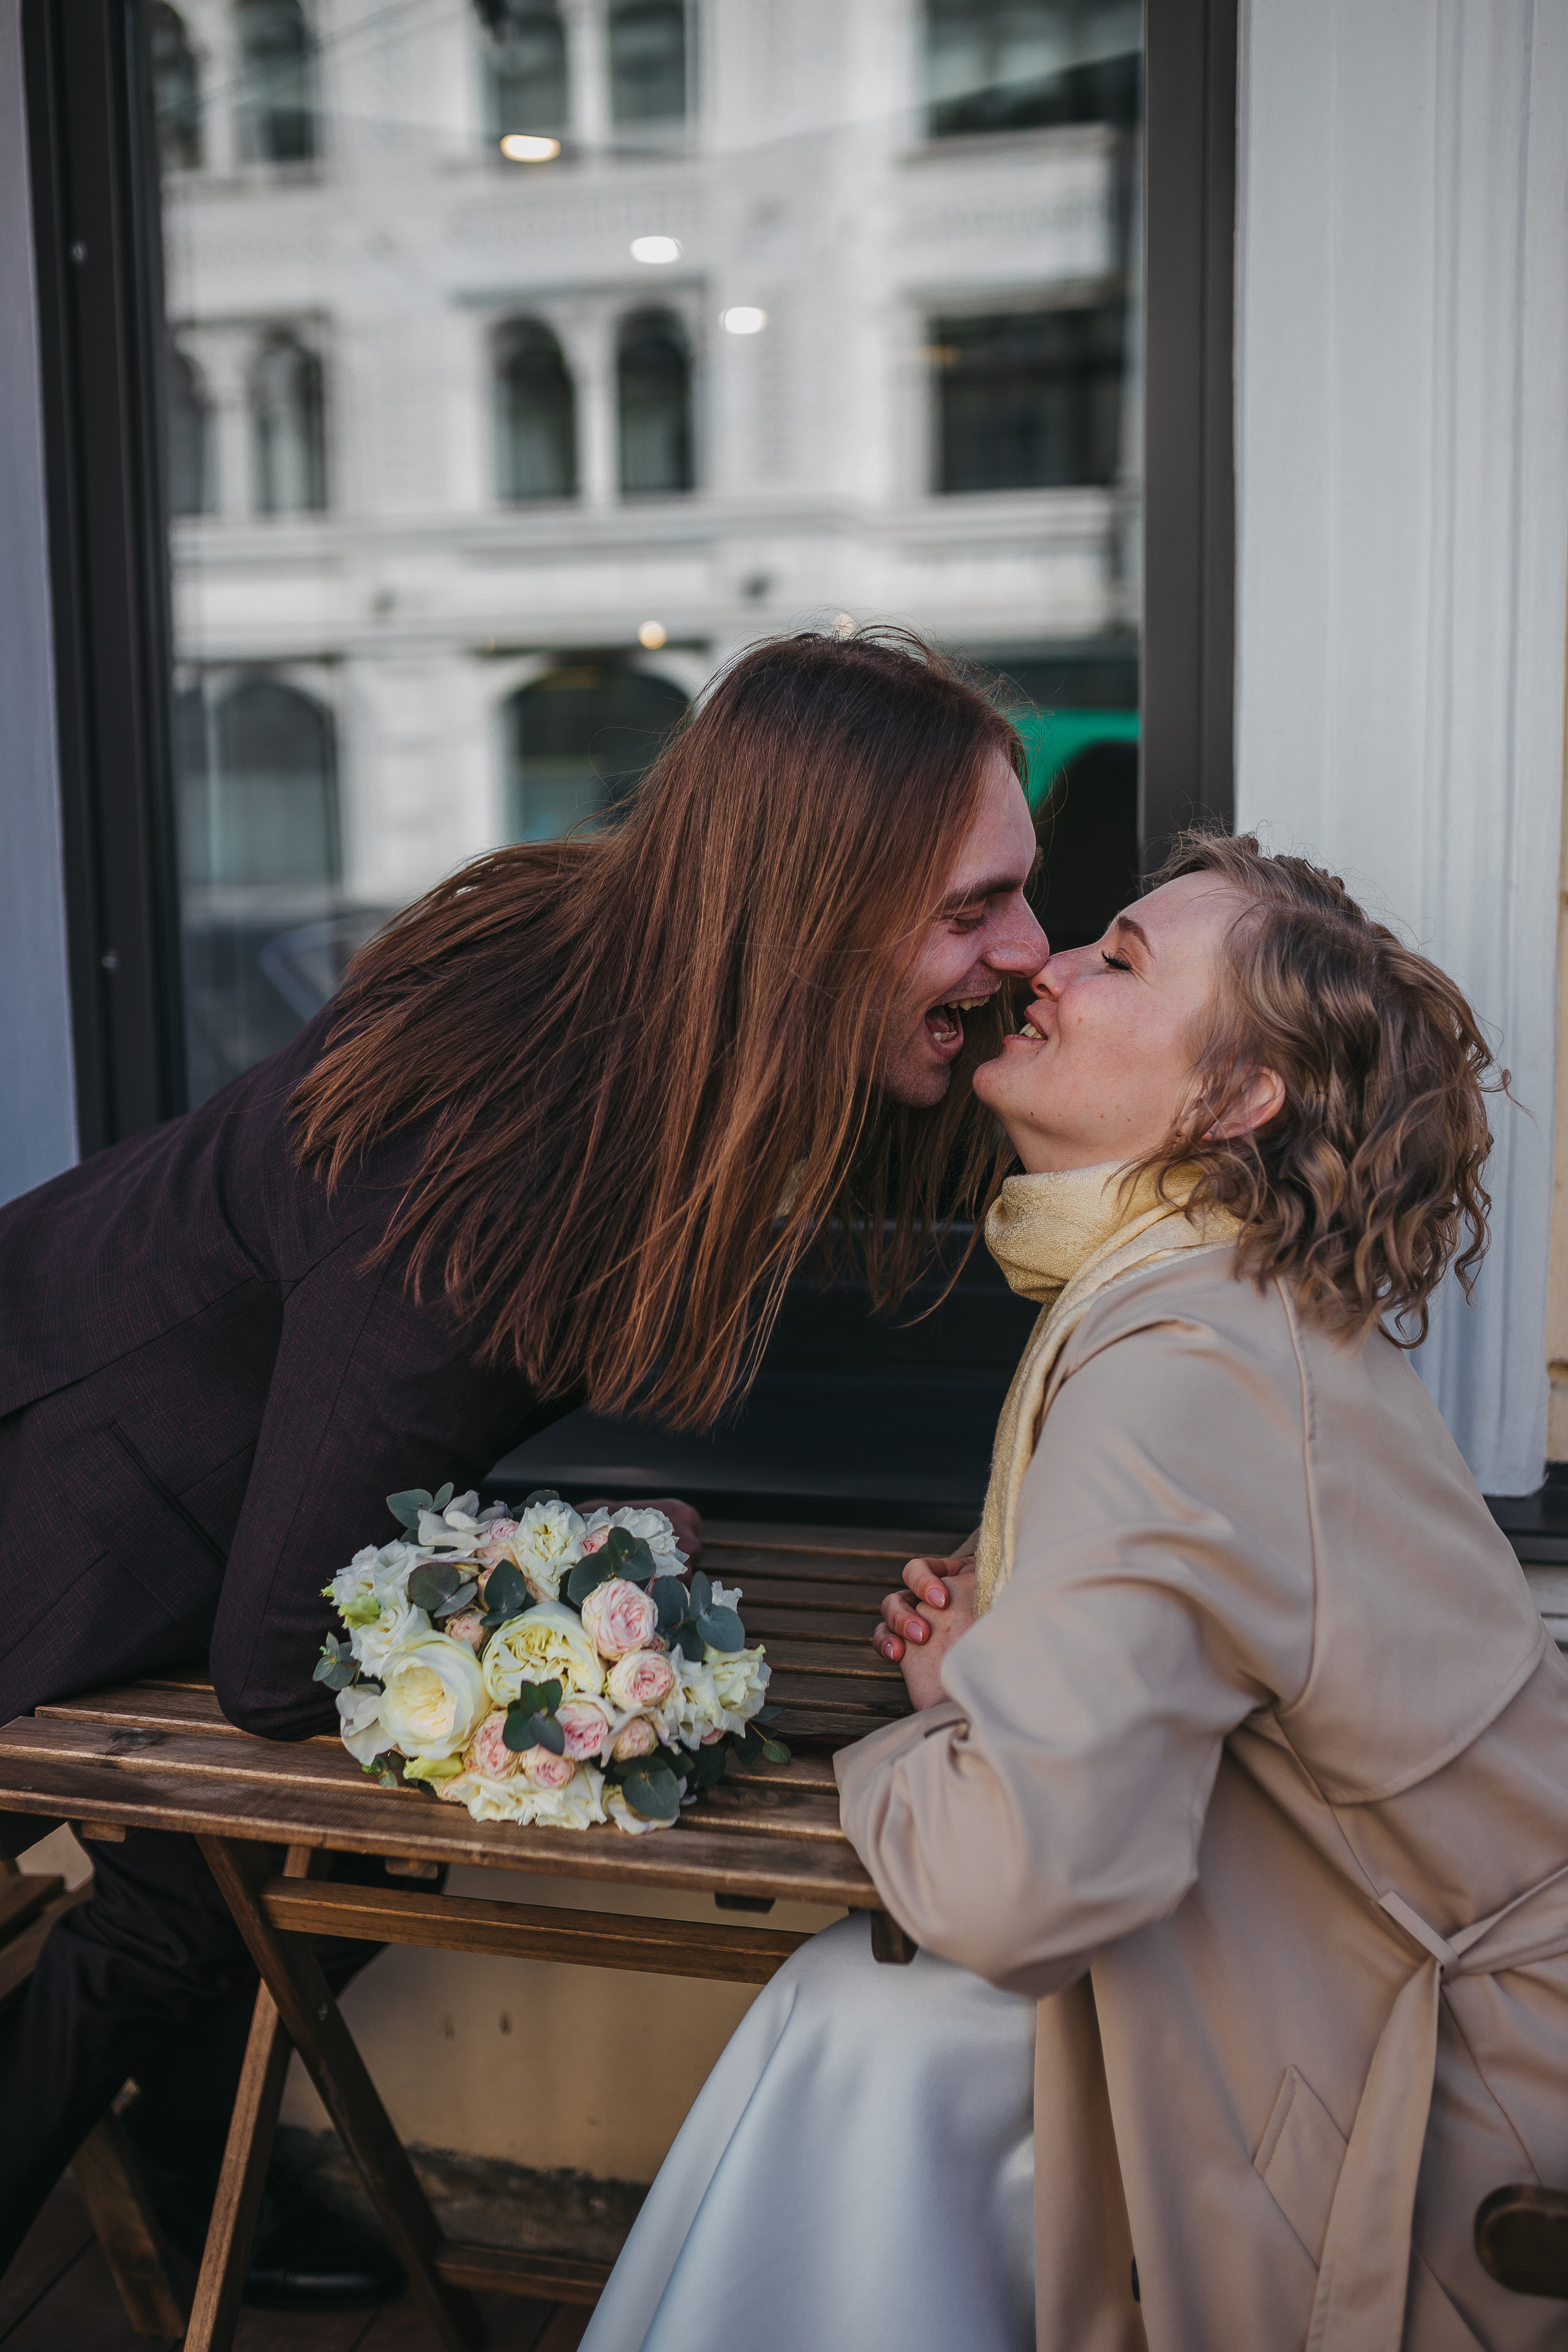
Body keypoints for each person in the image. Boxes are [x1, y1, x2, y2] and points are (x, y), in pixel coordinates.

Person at [0, 628, 1049, 2294]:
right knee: (223, 1874)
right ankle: (170, 2170)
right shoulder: (491, 1169)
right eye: (973, 909)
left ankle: (202, 2172)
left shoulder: (635, 996)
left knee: (264, 1876)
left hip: (194, 1488)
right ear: (806, 912)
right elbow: (286, 1660)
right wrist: (572, 1554)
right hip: (55, 1504)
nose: (1028, 949)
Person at [583, 834, 1568, 2352]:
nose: (1038, 968)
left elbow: (1016, 1890)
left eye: (1115, 960)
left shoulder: (1178, 1364)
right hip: (1376, 2013)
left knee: (866, 2032)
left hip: (1434, 2124)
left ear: (1235, 1101)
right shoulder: (1209, 1298)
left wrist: (942, 1726)